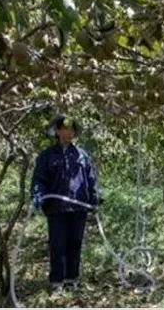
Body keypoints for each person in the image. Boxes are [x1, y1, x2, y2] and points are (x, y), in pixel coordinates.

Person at [30, 114, 102, 297]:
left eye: (72, 129)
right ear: (58, 131)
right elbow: (39, 179)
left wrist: (94, 198)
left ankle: (72, 280)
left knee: (75, 243)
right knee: (57, 245)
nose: (69, 132)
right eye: (65, 129)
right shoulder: (47, 156)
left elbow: (90, 179)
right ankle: (57, 283)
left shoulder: (81, 155)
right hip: (56, 208)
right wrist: (38, 195)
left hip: (78, 207)